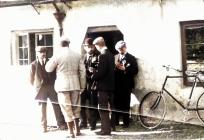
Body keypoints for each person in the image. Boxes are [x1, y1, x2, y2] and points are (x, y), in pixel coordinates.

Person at [45, 36, 86, 138]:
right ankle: (78, 130)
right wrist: (82, 86)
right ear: (69, 43)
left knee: (66, 108)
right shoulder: (77, 55)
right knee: (76, 108)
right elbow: (83, 72)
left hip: (62, 85)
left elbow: (48, 69)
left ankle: (71, 132)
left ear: (60, 44)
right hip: (75, 84)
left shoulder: (57, 55)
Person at [29, 46, 67, 133]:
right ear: (37, 53)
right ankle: (44, 126)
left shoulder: (51, 62)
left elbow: (56, 73)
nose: (43, 54)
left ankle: (61, 124)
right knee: (42, 108)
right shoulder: (33, 64)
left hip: (52, 87)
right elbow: (30, 79)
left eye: (44, 52)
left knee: (56, 105)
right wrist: (36, 88)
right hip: (41, 89)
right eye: (40, 52)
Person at [91, 37, 115, 135]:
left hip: (103, 87)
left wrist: (93, 75)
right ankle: (109, 128)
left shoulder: (103, 55)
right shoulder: (110, 54)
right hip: (111, 86)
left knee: (103, 108)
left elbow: (101, 72)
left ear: (98, 45)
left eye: (95, 46)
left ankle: (105, 130)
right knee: (111, 108)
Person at [114, 40, 138, 128]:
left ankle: (126, 122)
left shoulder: (131, 58)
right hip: (116, 85)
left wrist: (125, 69)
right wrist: (115, 68)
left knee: (125, 103)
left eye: (122, 48)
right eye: (119, 49)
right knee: (116, 103)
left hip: (126, 85)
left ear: (125, 47)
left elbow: (135, 71)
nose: (120, 50)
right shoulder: (115, 57)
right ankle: (116, 121)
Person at [80, 37, 100, 130]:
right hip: (83, 84)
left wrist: (94, 71)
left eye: (91, 46)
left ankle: (92, 124)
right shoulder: (83, 57)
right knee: (81, 104)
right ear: (84, 47)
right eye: (87, 46)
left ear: (94, 46)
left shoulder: (98, 56)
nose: (89, 48)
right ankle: (83, 122)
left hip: (93, 84)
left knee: (93, 104)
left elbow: (101, 70)